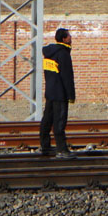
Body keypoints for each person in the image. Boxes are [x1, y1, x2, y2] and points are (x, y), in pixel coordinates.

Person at [39, 27, 76, 158]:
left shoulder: (49, 53)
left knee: (47, 120)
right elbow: (67, 77)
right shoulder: (63, 54)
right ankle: (62, 150)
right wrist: (71, 95)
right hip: (60, 94)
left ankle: (45, 146)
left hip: (50, 92)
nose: (71, 38)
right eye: (69, 36)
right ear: (64, 39)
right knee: (59, 121)